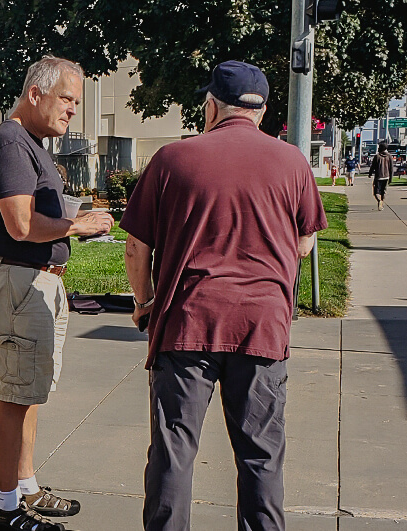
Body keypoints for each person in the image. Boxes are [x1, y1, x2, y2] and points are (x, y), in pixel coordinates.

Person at [121, 61, 327, 531]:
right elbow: (305, 239)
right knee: (261, 456)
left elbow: (136, 245)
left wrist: (145, 301)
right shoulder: (293, 161)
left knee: (173, 454)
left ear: (211, 105)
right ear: (263, 110)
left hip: (186, 322)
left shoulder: (173, 159)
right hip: (262, 328)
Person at [0, 56, 114, 531]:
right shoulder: (11, 142)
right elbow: (21, 223)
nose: (72, 109)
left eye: (77, 101)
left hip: (31, 283)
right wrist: (78, 224)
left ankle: (26, 486)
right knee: (15, 396)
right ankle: (6, 509)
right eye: (66, 99)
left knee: (27, 392)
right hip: (18, 283)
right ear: (35, 93)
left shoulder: (29, 143)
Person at [368, 142, 394, 210]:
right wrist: (391, 178)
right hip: (386, 176)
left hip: (378, 176)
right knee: (383, 191)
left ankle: (379, 201)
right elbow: (391, 168)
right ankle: (382, 202)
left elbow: (373, 166)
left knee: (376, 192)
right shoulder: (389, 156)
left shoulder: (377, 156)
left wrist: (370, 173)